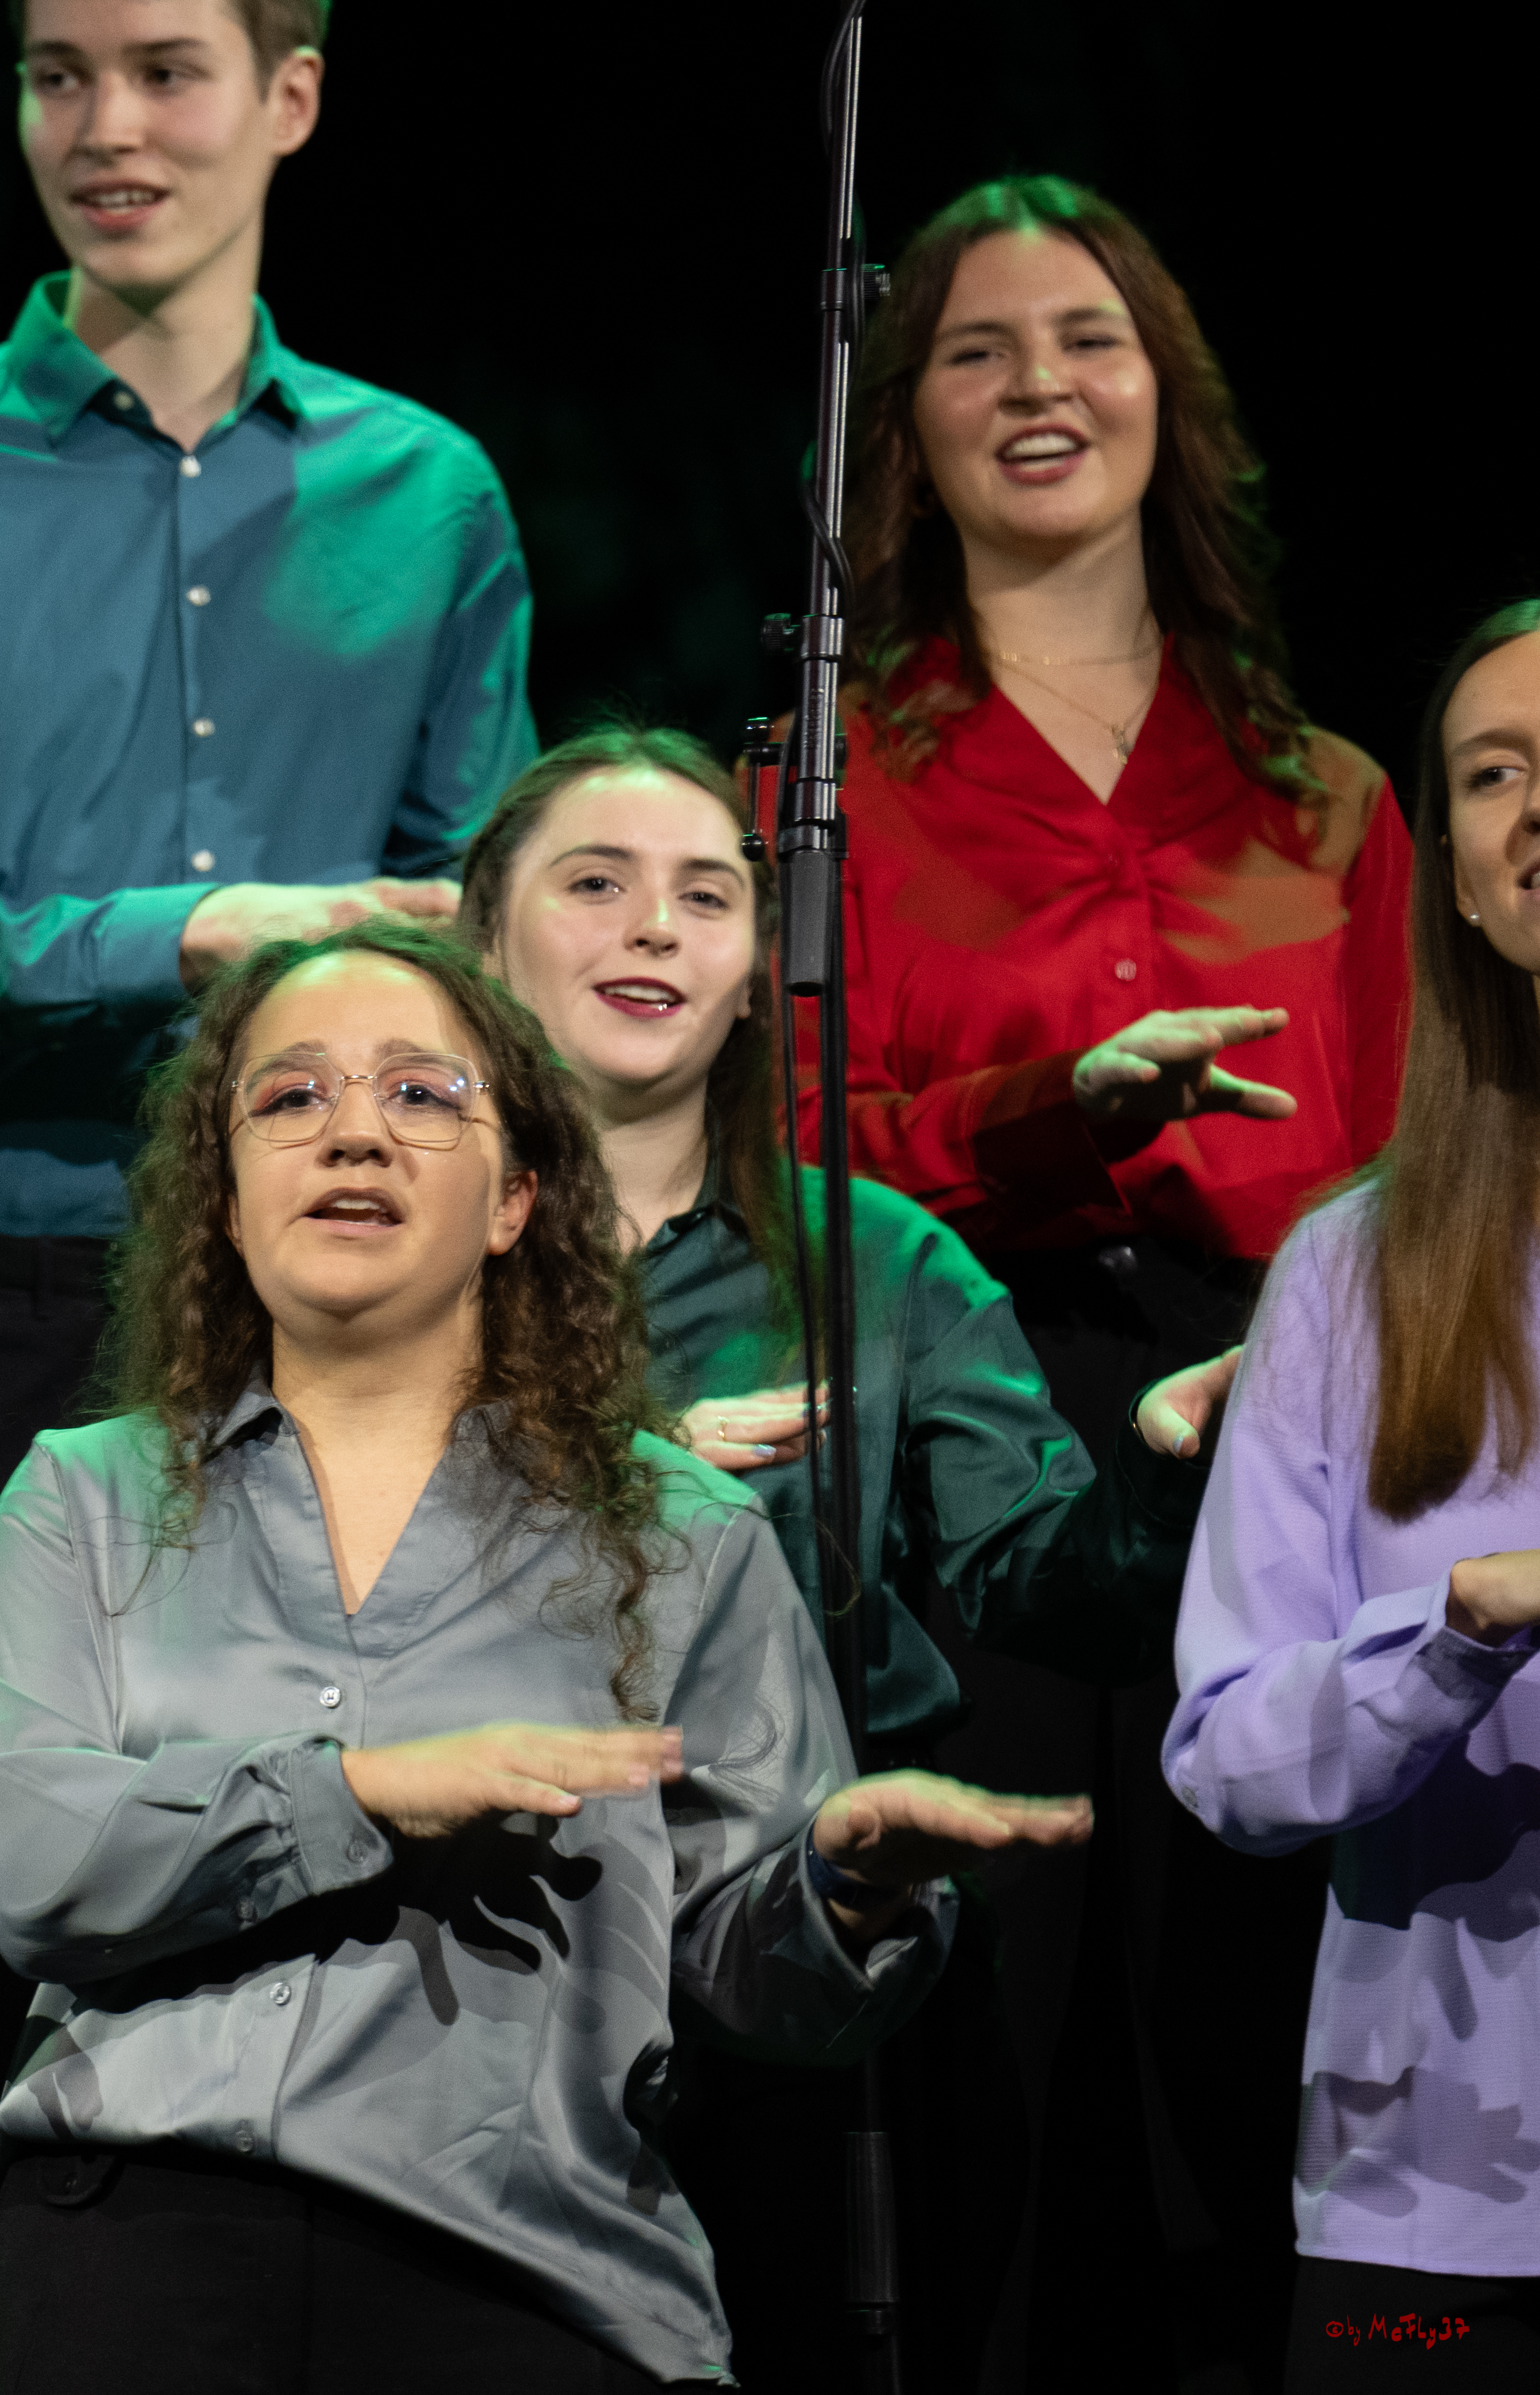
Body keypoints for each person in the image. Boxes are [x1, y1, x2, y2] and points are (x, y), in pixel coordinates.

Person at [0, 0, 533, 2279]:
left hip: (341, 1337)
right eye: (56, 79)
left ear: (292, 98)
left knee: (355, 1929)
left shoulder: (428, 493)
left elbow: (485, 954)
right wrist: (234, 925)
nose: (108, 132)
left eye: (167, 73)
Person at [0, 919, 1089, 2389]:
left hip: (520, 2271)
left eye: (423, 1095)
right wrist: (359, 1790)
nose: (354, 1128)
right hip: (129, 2250)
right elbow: (44, 1868)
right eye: (290, 1099)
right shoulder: (85, 1496)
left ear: (516, 1198)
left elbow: (759, 1985)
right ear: (225, 1202)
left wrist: (848, 1883)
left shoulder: (681, 1534)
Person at [819, 173, 1414, 2369]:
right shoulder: (823, 787)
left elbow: (1412, 1180)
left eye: (1085, 337)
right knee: (984, 2048)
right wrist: (1057, 1109)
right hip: (956, 1442)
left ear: (1167, 397)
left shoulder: (1328, 801)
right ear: (905, 427)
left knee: (1228, 2059)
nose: (1036, 385)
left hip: (1263, 1446)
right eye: (974, 349)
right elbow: (782, 1159)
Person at [467, 720, 1243, 2382]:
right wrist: (627, 1478)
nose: (657, 929)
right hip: (469, 1977)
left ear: (763, 970)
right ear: (483, 942)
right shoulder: (392, 1244)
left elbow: (1051, 1588)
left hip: (803, 1991)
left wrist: (1178, 1464)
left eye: (706, 896)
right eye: (594, 886)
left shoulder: (878, 1260)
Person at [1169, 599, 1540, 2390]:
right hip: (1439, 2214)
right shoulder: (1353, 1272)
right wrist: (1456, 1631)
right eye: (1495, 774)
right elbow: (1228, 1754)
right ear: (1461, 880)